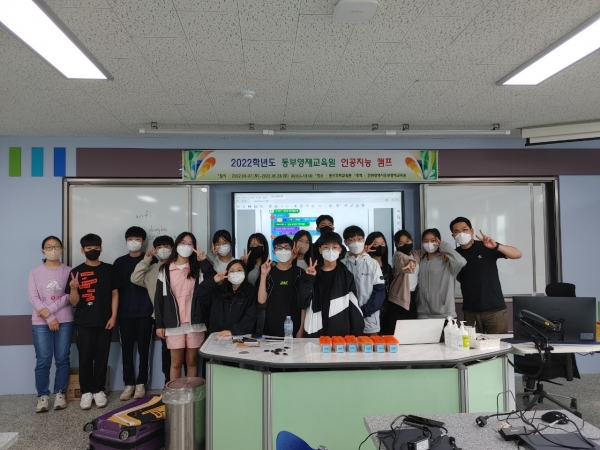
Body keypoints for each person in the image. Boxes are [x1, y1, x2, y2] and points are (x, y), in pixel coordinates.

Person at [66, 233, 120, 410]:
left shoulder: (109, 269)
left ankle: (99, 390)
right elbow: (74, 302)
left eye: (96, 247)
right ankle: (86, 392)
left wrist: (113, 316)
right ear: (82, 250)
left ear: (101, 248)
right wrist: (74, 288)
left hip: (105, 321)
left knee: (102, 357)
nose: (92, 250)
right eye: (89, 248)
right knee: (85, 358)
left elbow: (115, 294)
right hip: (84, 322)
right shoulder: (76, 272)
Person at [450, 216, 522, 334]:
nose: (461, 234)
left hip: (495, 310)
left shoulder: (486, 246)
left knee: (498, 344)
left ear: (472, 231)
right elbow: (459, 277)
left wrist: (496, 246)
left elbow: (517, 254)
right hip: (470, 312)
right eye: (456, 231)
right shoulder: (454, 255)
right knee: (471, 345)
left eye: (464, 230)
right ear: (453, 235)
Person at [28, 236, 73, 413]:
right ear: (43, 250)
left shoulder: (69, 271)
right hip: (40, 322)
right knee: (43, 360)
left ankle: (60, 393)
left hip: (65, 320)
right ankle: (43, 396)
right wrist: (48, 317)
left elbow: (69, 296)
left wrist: (50, 311)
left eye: (56, 246)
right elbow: (33, 297)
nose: (53, 250)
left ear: (62, 249)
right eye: (49, 247)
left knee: (62, 358)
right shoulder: (35, 272)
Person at [155, 232, 207, 382]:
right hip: (173, 323)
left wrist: (204, 260)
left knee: (192, 360)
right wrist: (159, 324)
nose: (186, 246)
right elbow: (159, 299)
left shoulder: (198, 268)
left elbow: (212, 282)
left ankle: (191, 393)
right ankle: (176, 393)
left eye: (190, 244)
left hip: (194, 322)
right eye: (183, 243)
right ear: (177, 244)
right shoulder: (165, 269)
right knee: (176, 362)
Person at [113, 226, 154, 401]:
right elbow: (114, 290)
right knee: (127, 351)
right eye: (130, 239)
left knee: (144, 351)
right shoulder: (119, 262)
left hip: (146, 312)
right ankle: (128, 384)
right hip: (125, 313)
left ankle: (141, 383)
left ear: (143, 241)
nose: (133, 242)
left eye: (137, 239)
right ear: (125, 241)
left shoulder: (151, 260)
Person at [299, 231, 364, 337]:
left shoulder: (346, 275)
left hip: (339, 331)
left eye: (334, 247)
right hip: (314, 329)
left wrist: (356, 334)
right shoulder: (311, 273)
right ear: (320, 250)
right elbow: (302, 303)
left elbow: (354, 306)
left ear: (340, 250)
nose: (330, 250)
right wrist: (308, 279)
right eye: (326, 247)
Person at [130, 235, 175, 384]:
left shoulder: (178, 266)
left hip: (181, 315)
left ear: (173, 248)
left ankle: (186, 382)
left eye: (166, 247)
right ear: (155, 250)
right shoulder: (151, 269)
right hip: (161, 317)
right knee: (166, 351)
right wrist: (146, 260)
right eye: (159, 247)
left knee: (184, 351)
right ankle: (168, 381)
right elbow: (135, 278)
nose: (163, 250)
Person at [257, 235, 309, 337]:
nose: (283, 251)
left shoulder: (300, 273)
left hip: (295, 326)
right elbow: (261, 300)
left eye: (287, 248)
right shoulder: (268, 272)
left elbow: (303, 305)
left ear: (292, 251)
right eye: (279, 248)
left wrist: (301, 328)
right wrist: (263, 275)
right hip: (271, 327)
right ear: (274, 252)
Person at [195, 259, 257, 337]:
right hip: (217, 335)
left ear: (245, 272)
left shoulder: (251, 291)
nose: (235, 273)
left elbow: (251, 316)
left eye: (239, 270)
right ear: (227, 273)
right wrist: (213, 280)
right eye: (232, 271)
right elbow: (200, 294)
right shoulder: (218, 290)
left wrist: (233, 331)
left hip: (240, 336)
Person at [341, 226, 385, 335]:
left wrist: (364, 311)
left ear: (364, 240)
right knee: (349, 345)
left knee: (370, 345)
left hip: (369, 319)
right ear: (345, 242)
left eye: (359, 239)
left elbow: (379, 292)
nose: (356, 243)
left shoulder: (372, 264)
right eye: (351, 240)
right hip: (347, 319)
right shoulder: (341, 264)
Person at [417, 228, 466, 319]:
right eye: (426, 241)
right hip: (423, 314)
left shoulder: (446, 259)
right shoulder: (421, 260)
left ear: (439, 241)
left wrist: (445, 247)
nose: (429, 244)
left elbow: (461, 262)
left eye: (433, 240)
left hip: (444, 314)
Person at [382, 230, 419, 334]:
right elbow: (402, 260)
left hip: (412, 296)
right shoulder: (397, 255)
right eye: (401, 243)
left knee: (409, 331)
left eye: (407, 241)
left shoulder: (415, 254)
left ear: (412, 241)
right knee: (395, 330)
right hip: (398, 297)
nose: (405, 244)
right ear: (397, 245)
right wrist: (410, 262)